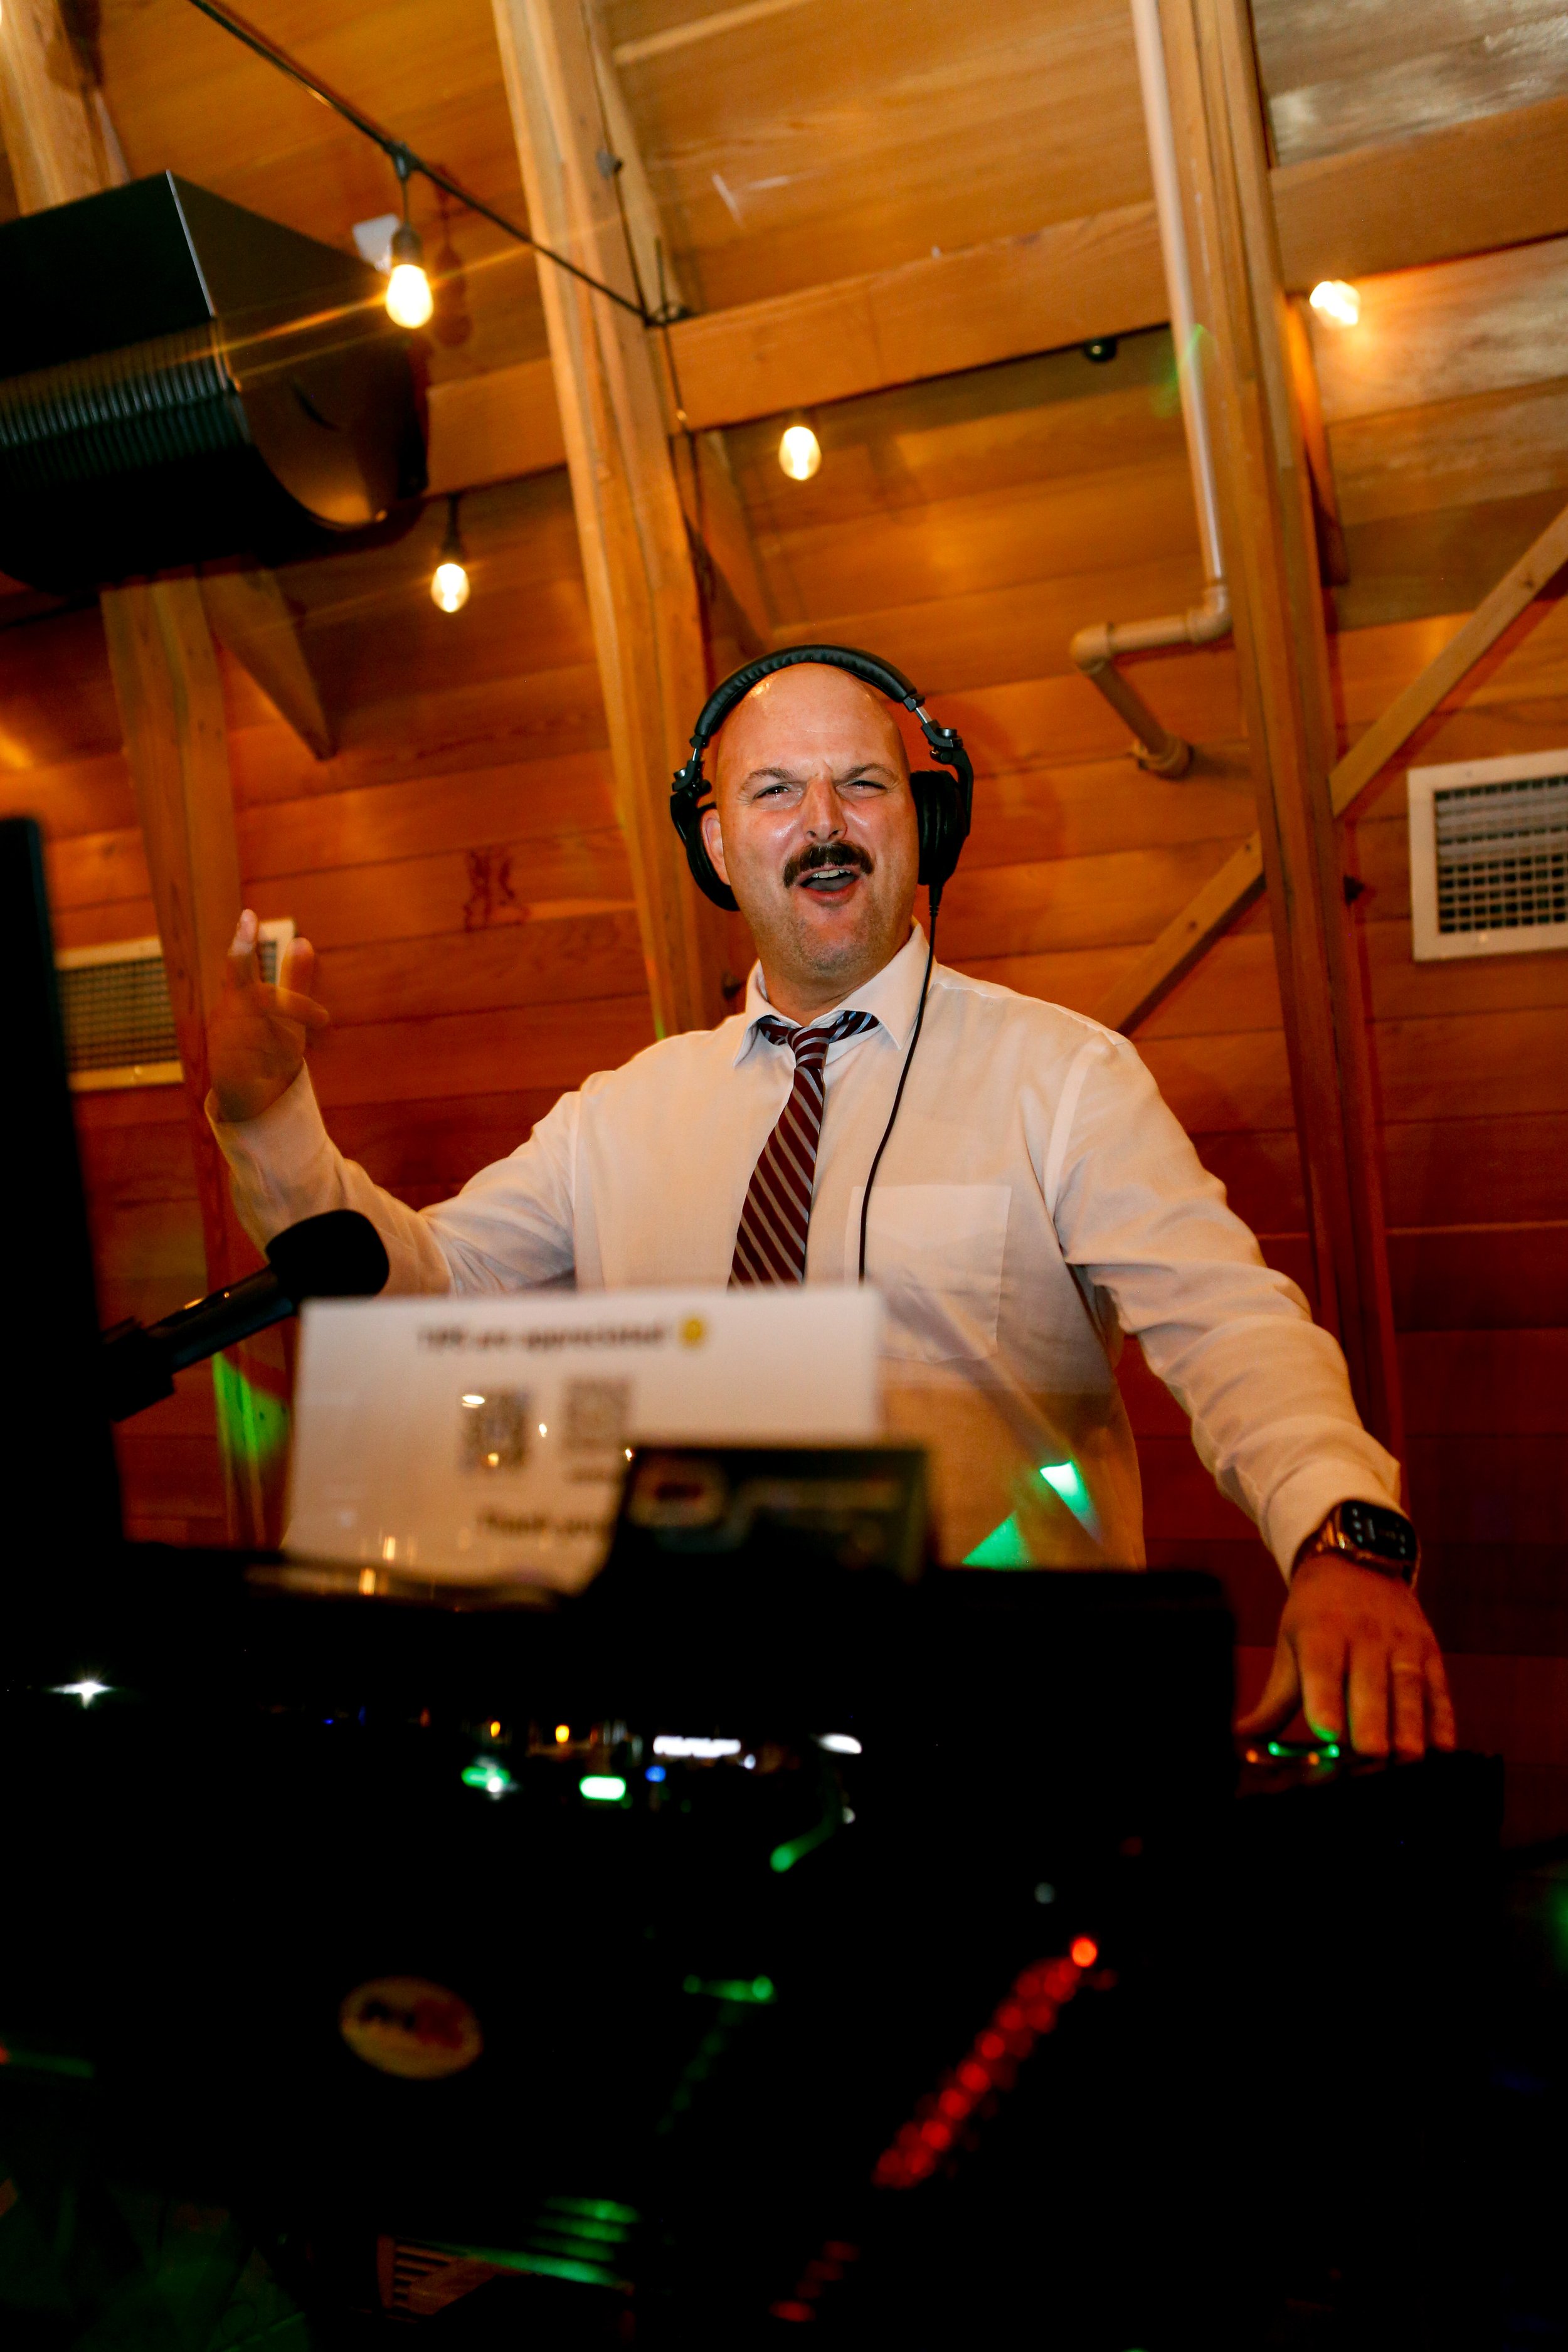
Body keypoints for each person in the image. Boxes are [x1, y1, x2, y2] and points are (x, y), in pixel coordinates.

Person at [207, 656, 1453, 1761]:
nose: (822, 826)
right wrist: (271, 1117)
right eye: (773, 792)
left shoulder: (1061, 1078)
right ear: (713, 845)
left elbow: (1232, 1330)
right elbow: (416, 1284)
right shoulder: (618, 1114)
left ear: (925, 821)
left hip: (996, 1739)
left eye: (862, 783)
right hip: (691, 1719)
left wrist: (1338, 1536)